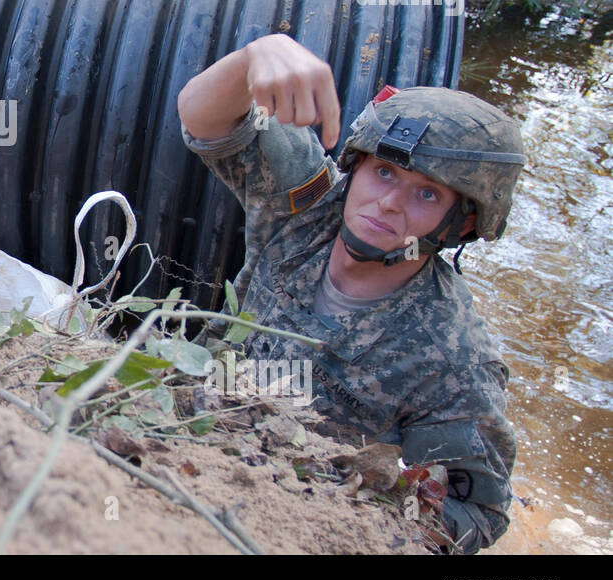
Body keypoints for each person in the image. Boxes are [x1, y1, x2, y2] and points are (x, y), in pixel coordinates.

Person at [177, 34, 526, 553]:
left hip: (293, 506)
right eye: (384, 172)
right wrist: (254, 56)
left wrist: (340, 517)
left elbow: (477, 513)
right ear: (357, 167)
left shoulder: (450, 360)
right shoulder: (307, 205)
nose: (387, 203)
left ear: (461, 223)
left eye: (426, 194)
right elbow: (204, 121)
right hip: (200, 419)